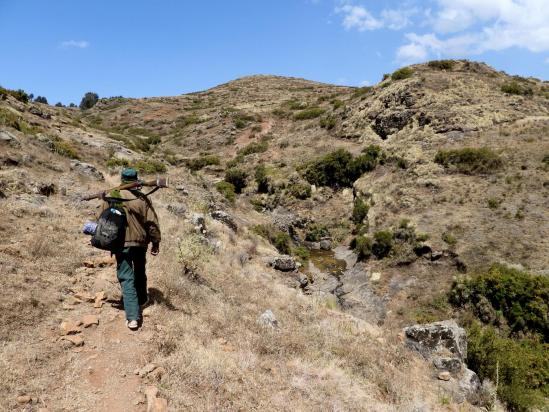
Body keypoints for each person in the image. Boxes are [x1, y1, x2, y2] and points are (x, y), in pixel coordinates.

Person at [101, 168, 161, 330]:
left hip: (120, 244)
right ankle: (142, 299)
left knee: (126, 277)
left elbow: (103, 218)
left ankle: (133, 317)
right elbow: (152, 224)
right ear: (136, 179)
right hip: (140, 243)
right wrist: (156, 242)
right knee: (140, 271)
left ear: (122, 179)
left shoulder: (112, 194)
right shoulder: (142, 199)